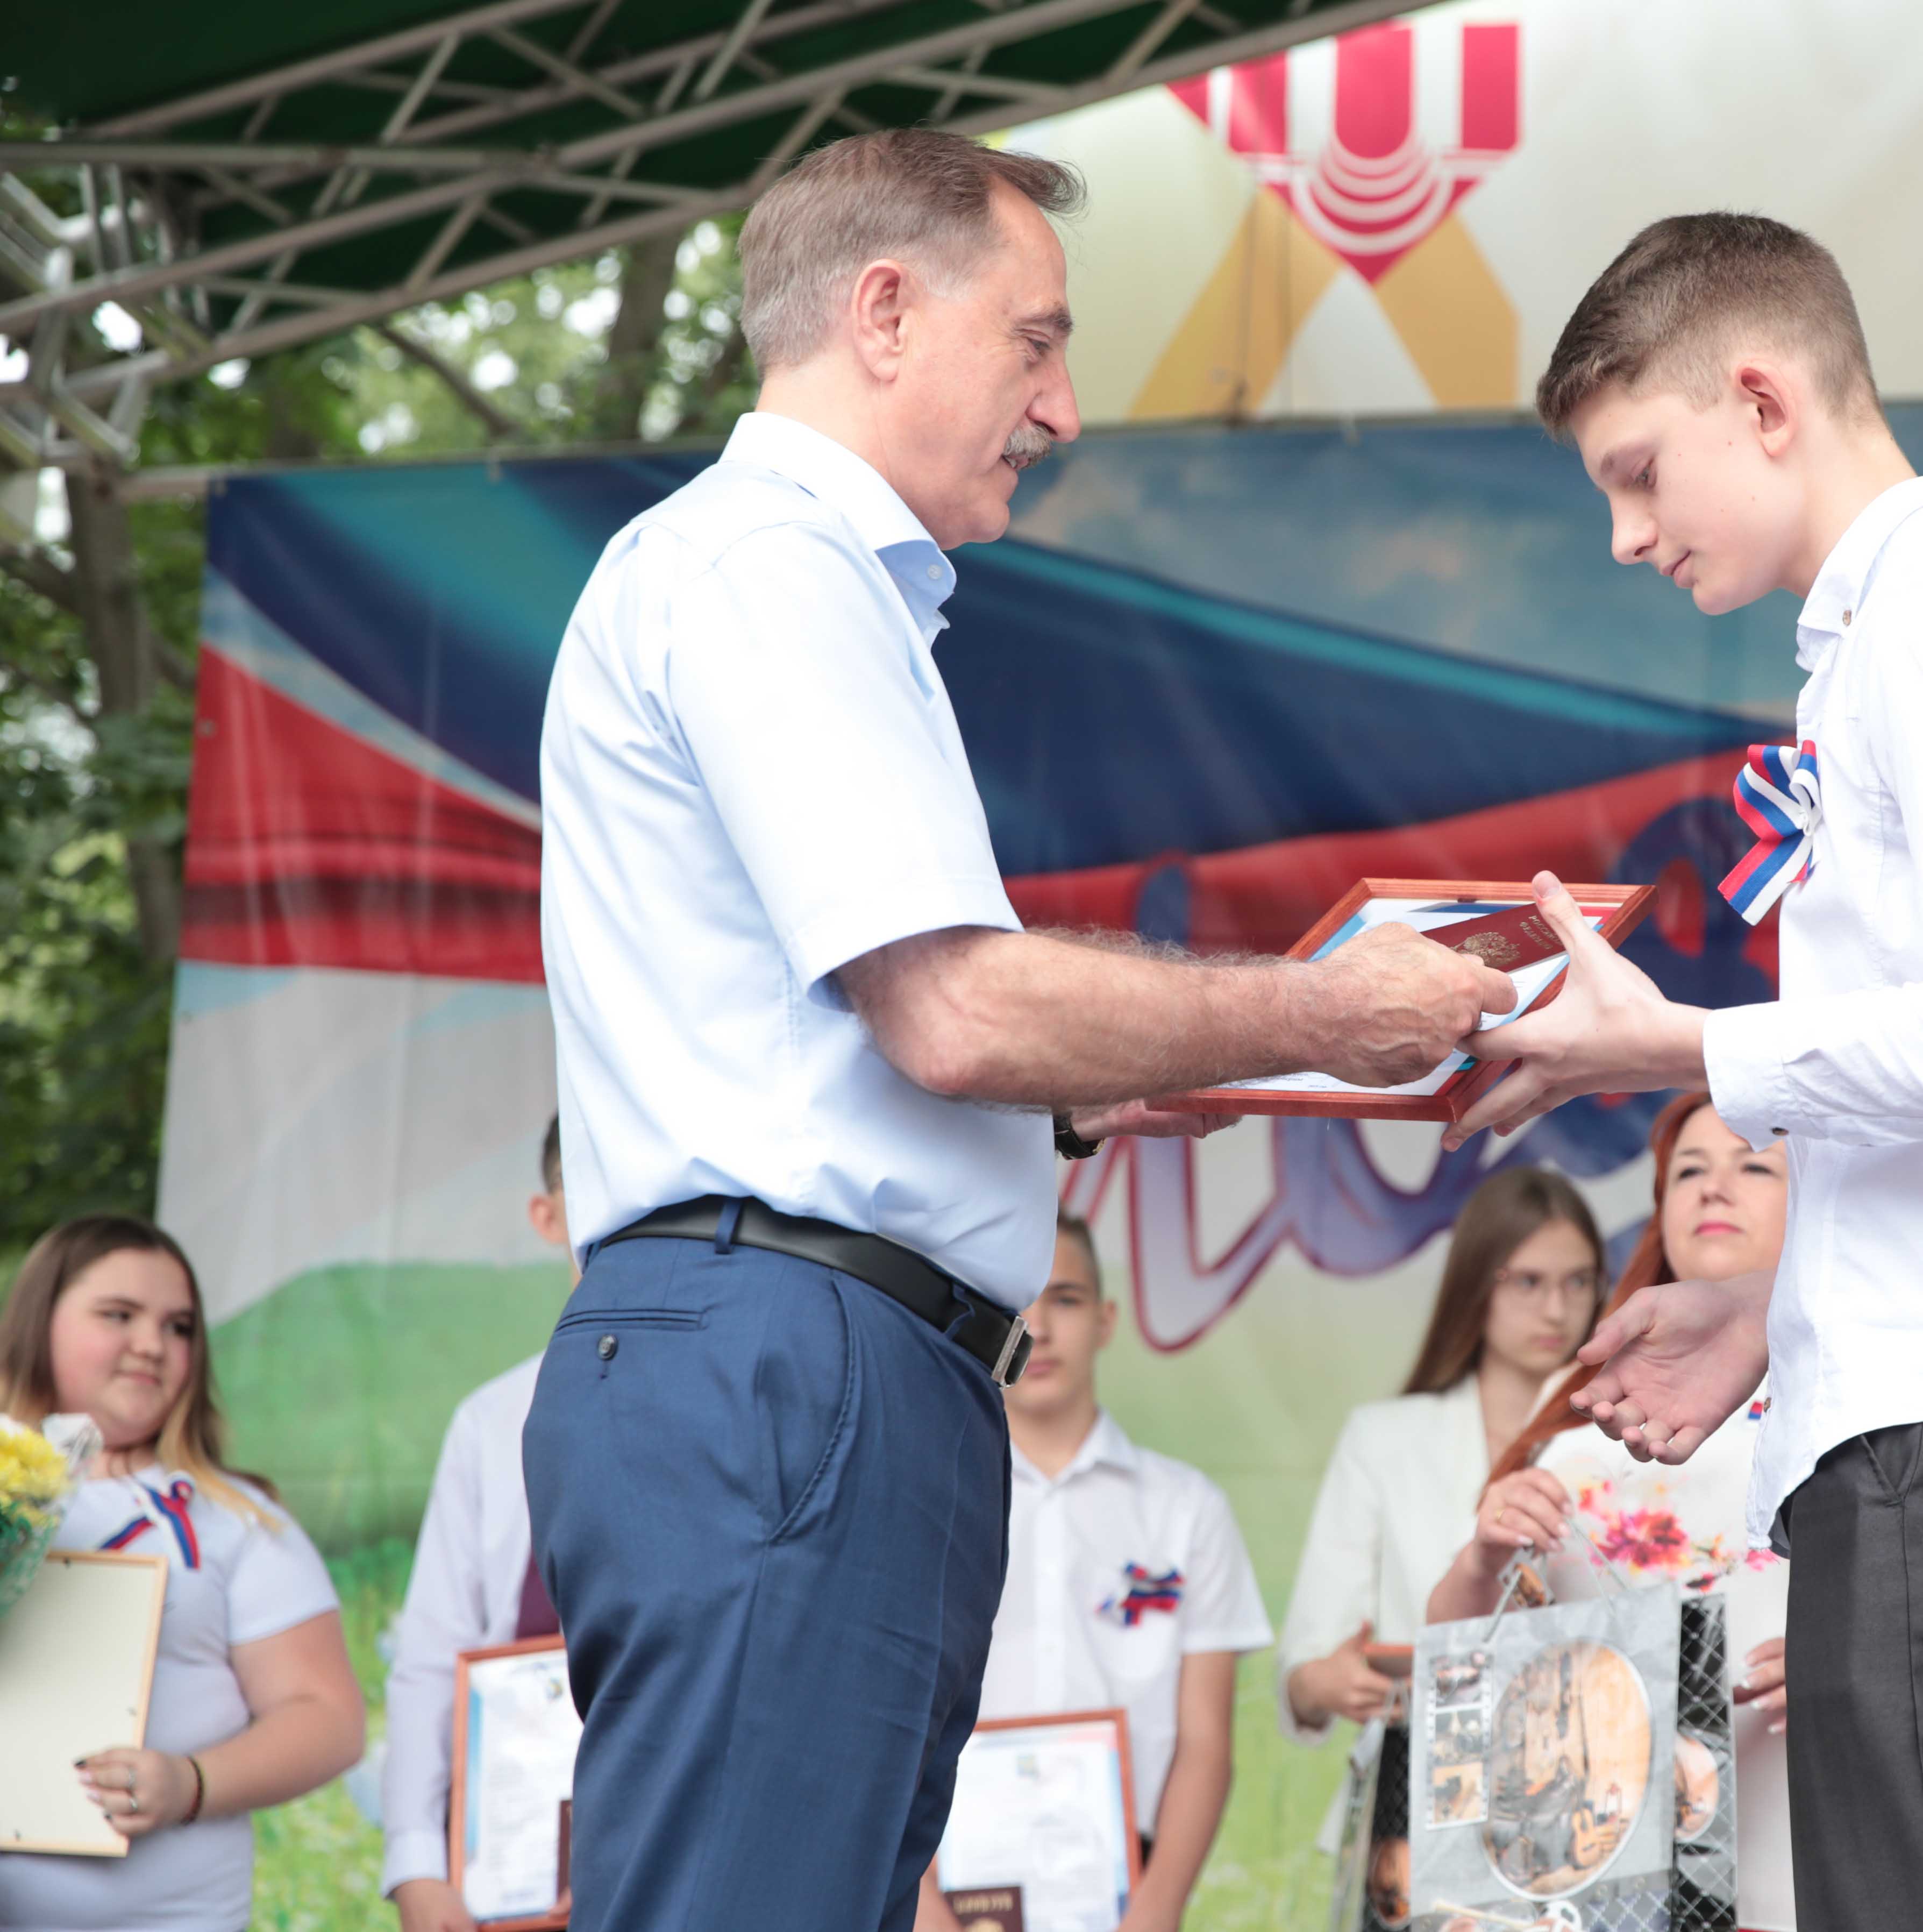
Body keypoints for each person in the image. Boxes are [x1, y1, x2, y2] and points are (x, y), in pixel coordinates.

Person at [529, 128, 1511, 1932]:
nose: (1059, 410)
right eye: (1036, 343)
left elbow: (853, 1026)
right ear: (883, 313)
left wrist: (1092, 1090)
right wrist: (1317, 1010)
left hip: (820, 1353)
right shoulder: (769, 566)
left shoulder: (783, 577)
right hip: (791, 1351)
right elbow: (956, 1008)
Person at [1442, 212, 1923, 1932]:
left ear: (1760, 401)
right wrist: (1777, 1304)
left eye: (1636, 474)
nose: (1625, 536)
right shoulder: (1886, 642)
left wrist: (1672, 1045)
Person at [1428, 1091, 1798, 1931]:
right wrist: (1482, 1558)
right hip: (1600, 1882)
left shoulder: (1854, 1407)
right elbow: (1458, 1662)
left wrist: (1855, 1665)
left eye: (1753, 1167)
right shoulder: (1583, 1411)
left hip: (1800, 1835)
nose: (1713, 1187)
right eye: (1689, 1172)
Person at [0, 1216, 368, 1932]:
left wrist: (190, 1783)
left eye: (180, 1327)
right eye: (119, 1315)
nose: (152, 1344)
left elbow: (328, 1717)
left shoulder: (235, 1517)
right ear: (38, 1322)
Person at [913, 1213, 1270, 1932]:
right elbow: (887, 1722)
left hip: (1127, 1891)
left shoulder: (1186, 1508)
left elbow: (1206, 1743)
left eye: (1067, 1300)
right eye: (1018, 1305)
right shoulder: (928, 1504)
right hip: (953, 1881)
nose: (1041, 1329)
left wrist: (1156, 1912)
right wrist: (922, 1907)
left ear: (1107, 1320)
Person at [1277, 1166, 1607, 1740]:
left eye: (1578, 1282)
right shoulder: (1382, 1438)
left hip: (1592, 1759)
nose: (1556, 1310)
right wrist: (1324, 1683)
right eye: (1528, 1282)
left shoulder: (1626, 1436)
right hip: (1419, 1764)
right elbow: (1307, 1667)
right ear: (1476, 1282)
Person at [381, 1118, 575, 1932]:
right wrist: (418, 1868)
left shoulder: (752, 1409)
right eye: (593, 1187)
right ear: (547, 1218)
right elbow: (433, 1655)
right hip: (510, 1866)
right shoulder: (493, 1422)